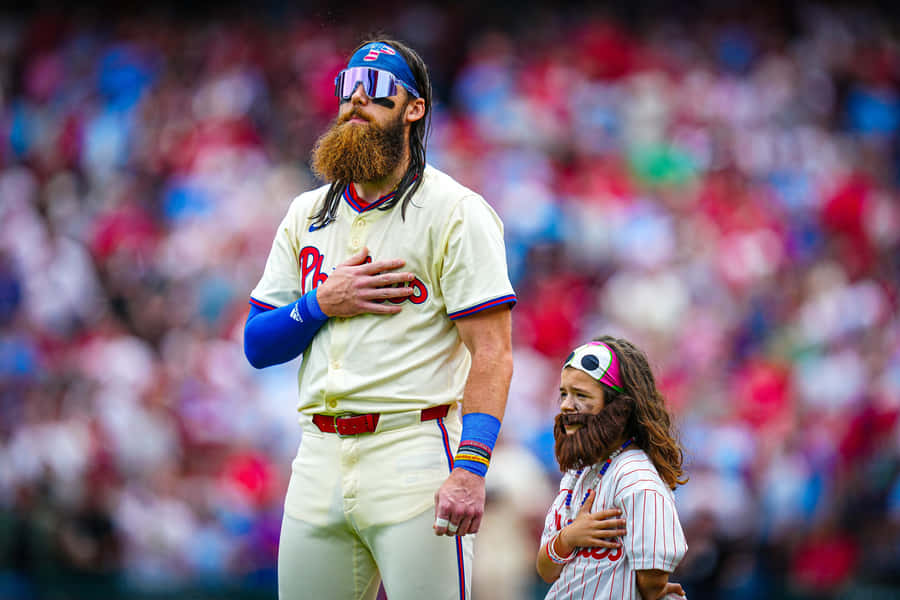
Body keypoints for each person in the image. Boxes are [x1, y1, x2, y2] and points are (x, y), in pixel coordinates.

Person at [243, 38, 515, 600]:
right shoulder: (307, 211)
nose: (355, 102)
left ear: (413, 108)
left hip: (412, 449)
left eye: (377, 91)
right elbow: (258, 343)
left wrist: (471, 469)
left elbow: (492, 352)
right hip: (317, 455)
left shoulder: (455, 211)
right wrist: (321, 302)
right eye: (347, 90)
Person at [536, 336, 688, 599]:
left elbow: (652, 581)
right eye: (564, 393)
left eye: (581, 395)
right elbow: (546, 570)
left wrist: (657, 591)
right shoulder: (577, 474)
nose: (566, 405)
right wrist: (569, 537)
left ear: (620, 409)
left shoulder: (637, 479)